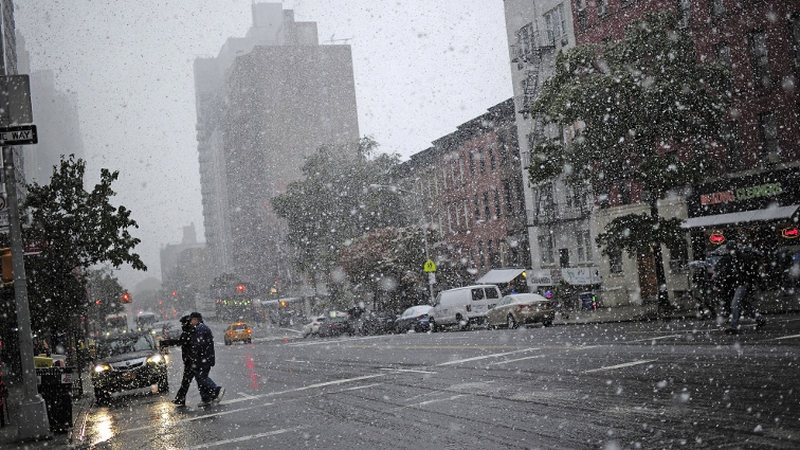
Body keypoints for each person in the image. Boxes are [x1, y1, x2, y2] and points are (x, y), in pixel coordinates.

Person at [714, 241, 766, 334]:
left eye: (730, 249)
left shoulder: (741, 258)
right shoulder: (733, 258)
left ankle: (733, 326)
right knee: (745, 304)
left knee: (735, 304)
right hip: (740, 283)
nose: (729, 251)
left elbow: (751, 271)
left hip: (742, 283)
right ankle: (760, 318)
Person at [188, 312, 225, 406]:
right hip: (205, 358)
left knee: (201, 377)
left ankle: (217, 390)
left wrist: (194, 357)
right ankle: (206, 398)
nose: (190, 322)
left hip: (203, 359)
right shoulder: (202, 327)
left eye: (191, 320)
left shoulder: (200, 329)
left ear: (195, 319)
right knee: (199, 378)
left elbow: (198, 345)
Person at [159, 315, 195, 406]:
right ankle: (180, 398)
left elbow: (179, 342)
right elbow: (180, 341)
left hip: (192, 361)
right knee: (189, 381)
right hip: (190, 361)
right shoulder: (188, 332)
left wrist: (166, 343)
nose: (182, 325)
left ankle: (214, 391)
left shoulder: (190, 332)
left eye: (183, 323)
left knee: (190, 381)